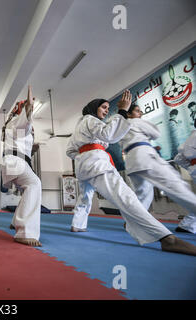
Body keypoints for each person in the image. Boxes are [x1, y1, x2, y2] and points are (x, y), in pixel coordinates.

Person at [66, 90, 196, 255]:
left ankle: (78, 224)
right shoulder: (90, 120)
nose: (106, 111)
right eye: (104, 107)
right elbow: (109, 135)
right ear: (94, 108)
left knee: (85, 196)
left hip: (84, 165)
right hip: (97, 163)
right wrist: (121, 111)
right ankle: (166, 238)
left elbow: (70, 151)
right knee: (126, 197)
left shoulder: (80, 126)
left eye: (108, 108)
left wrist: (83, 155)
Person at [117, 104, 196, 235]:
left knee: (143, 195)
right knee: (176, 185)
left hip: (132, 162)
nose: (140, 113)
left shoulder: (121, 128)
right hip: (145, 157)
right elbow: (156, 133)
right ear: (129, 114)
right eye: (137, 111)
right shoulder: (136, 121)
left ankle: (132, 222)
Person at [1, 86, 41, 246]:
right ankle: (24, 231)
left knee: (28, 188)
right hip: (15, 162)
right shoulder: (18, 121)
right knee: (34, 184)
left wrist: (33, 148)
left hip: (15, 161)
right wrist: (29, 107)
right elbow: (25, 119)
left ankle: (14, 221)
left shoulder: (13, 124)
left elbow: (22, 145)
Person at [173, 118, 196, 233]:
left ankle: (187, 225)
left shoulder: (190, 138)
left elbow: (178, 158)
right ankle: (187, 225)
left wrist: (191, 167)